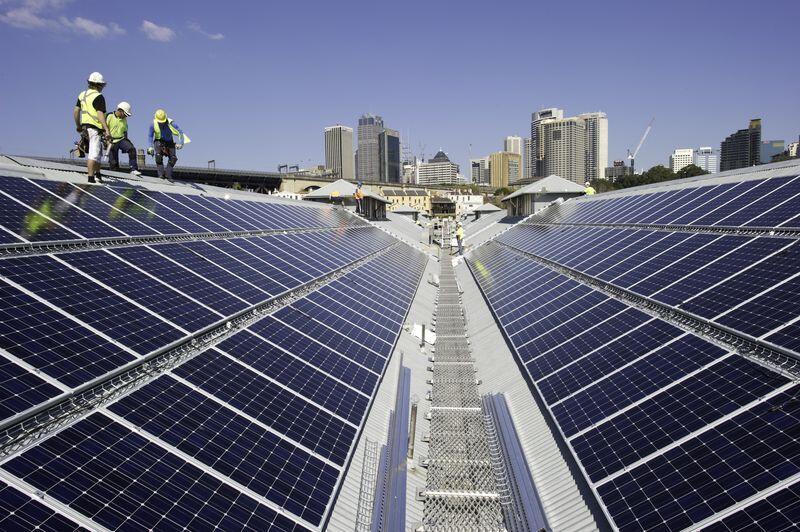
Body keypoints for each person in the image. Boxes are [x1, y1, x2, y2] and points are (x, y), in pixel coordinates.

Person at [73, 72, 112, 183]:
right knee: (94, 154)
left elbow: (76, 111)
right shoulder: (99, 97)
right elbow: (100, 114)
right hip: (94, 129)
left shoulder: (82, 95)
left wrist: (78, 126)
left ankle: (98, 174)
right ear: (99, 85)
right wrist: (106, 129)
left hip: (85, 128)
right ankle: (91, 178)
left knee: (98, 152)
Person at [147, 109, 184, 180]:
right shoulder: (153, 124)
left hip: (169, 141)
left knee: (173, 158)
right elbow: (150, 136)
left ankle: (168, 175)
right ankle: (161, 175)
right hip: (159, 141)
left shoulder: (171, 123)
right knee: (158, 157)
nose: (161, 123)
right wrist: (150, 147)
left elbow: (180, 132)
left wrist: (181, 143)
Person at [107, 102, 141, 176]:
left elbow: (125, 130)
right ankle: (114, 175)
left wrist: (127, 142)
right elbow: (103, 128)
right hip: (111, 141)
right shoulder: (109, 116)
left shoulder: (124, 119)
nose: (126, 116)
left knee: (131, 149)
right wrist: (106, 141)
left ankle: (133, 169)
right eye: (125, 114)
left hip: (121, 139)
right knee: (113, 162)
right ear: (120, 111)